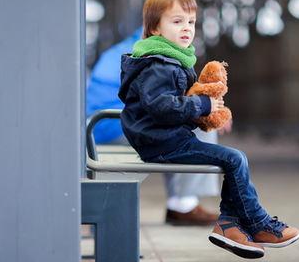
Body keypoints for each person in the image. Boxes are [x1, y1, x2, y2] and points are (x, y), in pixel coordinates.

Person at [117, 0, 299, 259]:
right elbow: (160, 107)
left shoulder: (173, 61)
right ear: (155, 28)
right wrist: (202, 106)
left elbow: (182, 99)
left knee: (232, 159)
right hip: (163, 142)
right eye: (176, 21)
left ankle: (230, 224)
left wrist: (210, 110)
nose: (186, 28)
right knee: (235, 159)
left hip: (167, 138)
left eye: (191, 22)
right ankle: (254, 223)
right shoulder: (158, 65)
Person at [87, 27, 220, 226]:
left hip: (98, 128)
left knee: (178, 127)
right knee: (194, 130)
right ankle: (184, 205)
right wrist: (204, 109)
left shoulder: (121, 51)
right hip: (118, 126)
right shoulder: (154, 56)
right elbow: (163, 105)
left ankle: (181, 203)